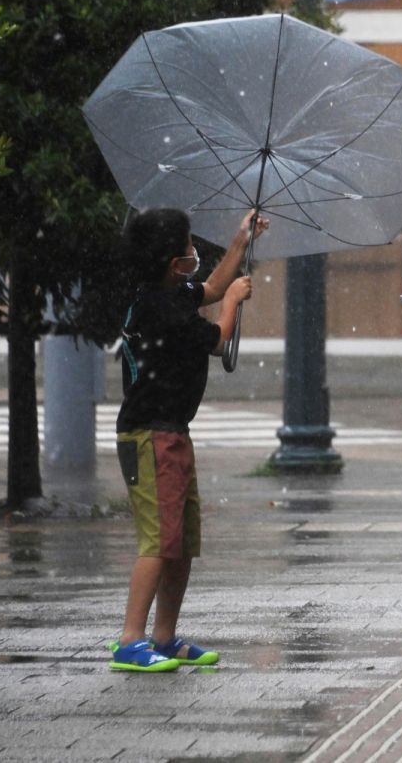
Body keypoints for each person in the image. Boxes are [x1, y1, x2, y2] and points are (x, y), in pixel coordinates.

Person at [107, 208, 267, 672]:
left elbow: (212, 287)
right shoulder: (160, 310)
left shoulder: (171, 293)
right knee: (159, 540)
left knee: (180, 540)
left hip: (172, 431)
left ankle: (164, 636)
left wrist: (241, 241)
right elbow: (217, 338)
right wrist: (235, 301)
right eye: (190, 249)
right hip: (149, 435)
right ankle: (130, 640)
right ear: (175, 263)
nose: (196, 254)